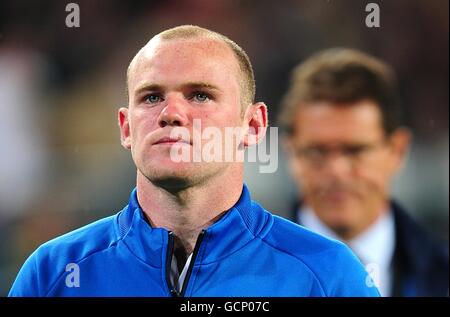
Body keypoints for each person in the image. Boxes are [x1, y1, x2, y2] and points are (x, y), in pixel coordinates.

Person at [9, 26, 378, 297]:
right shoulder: (53, 274)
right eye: (151, 97)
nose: (171, 113)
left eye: (200, 95)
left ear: (252, 125)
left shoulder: (327, 275)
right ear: (126, 128)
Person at [279, 48, 448, 297]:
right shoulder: (236, 278)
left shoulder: (441, 276)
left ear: (397, 151)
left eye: (355, 150)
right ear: (291, 153)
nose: (336, 171)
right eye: (318, 151)